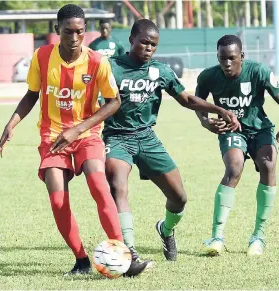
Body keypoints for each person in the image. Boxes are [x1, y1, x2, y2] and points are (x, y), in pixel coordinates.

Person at [0, 4, 149, 277]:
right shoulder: (41, 57)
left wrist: (78, 129)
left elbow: (114, 102)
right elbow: (32, 95)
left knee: (99, 184)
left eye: (79, 32)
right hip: (52, 136)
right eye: (68, 32)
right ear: (57, 31)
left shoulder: (97, 61)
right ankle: (81, 260)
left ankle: (124, 255)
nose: (74, 38)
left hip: (87, 134)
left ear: (85, 31)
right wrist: (11, 123)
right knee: (57, 200)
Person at [102, 19, 241, 262]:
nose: (148, 48)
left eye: (153, 45)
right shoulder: (110, 67)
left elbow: (186, 99)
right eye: (144, 42)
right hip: (117, 137)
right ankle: (129, 250)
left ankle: (165, 230)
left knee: (179, 198)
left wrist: (217, 109)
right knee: (118, 186)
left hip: (147, 138)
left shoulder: (160, 70)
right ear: (131, 40)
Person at [195, 34, 279, 256]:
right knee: (234, 168)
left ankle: (258, 236)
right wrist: (205, 121)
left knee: (269, 166)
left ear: (242, 56)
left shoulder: (259, 71)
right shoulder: (208, 77)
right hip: (232, 130)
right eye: (222, 58)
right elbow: (197, 102)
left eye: (232, 58)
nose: (227, 63)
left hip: (260, 129)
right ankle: (217, 237)